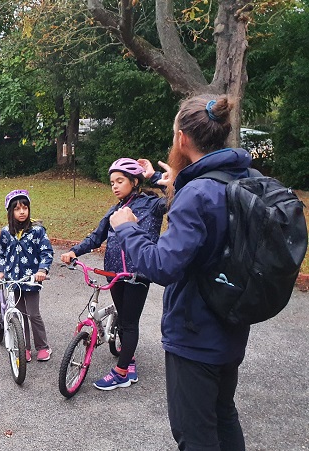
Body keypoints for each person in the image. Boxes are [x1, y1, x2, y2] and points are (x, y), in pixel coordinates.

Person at [110, 94, 252, 450]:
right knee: (223, 415)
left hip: (195, 334)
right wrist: (159, 178)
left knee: (195, 435)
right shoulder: (242, 177)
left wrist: (128, 228)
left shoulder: (197, 194)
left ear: (182, 139)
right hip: (232, 322)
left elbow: (164, 266)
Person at [60, 158, 166, 390]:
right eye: (112, 182)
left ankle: (122, 373)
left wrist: (154, 176)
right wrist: (73, 251)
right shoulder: (115, 210)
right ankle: (128, 357)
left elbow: (177, 196)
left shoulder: (152, 204)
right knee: (124, 316)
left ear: (134, 181)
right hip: (114, 274)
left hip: (138, 275)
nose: (115, 186)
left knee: (129, 323)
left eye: (120, 181)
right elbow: (97, 237)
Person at [0, 189, 54, 362]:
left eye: (25, 208)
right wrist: (2, 270)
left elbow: (46, 252)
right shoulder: (6, 232)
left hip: (31, 280)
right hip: (14, 280)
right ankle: (25, 348)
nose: (22, 212)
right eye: (17, 209)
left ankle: (43, 346)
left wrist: (42, 270)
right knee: (21, 314)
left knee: (33, 314)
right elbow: (2, 252)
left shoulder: (37, 231)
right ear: (10, 212)